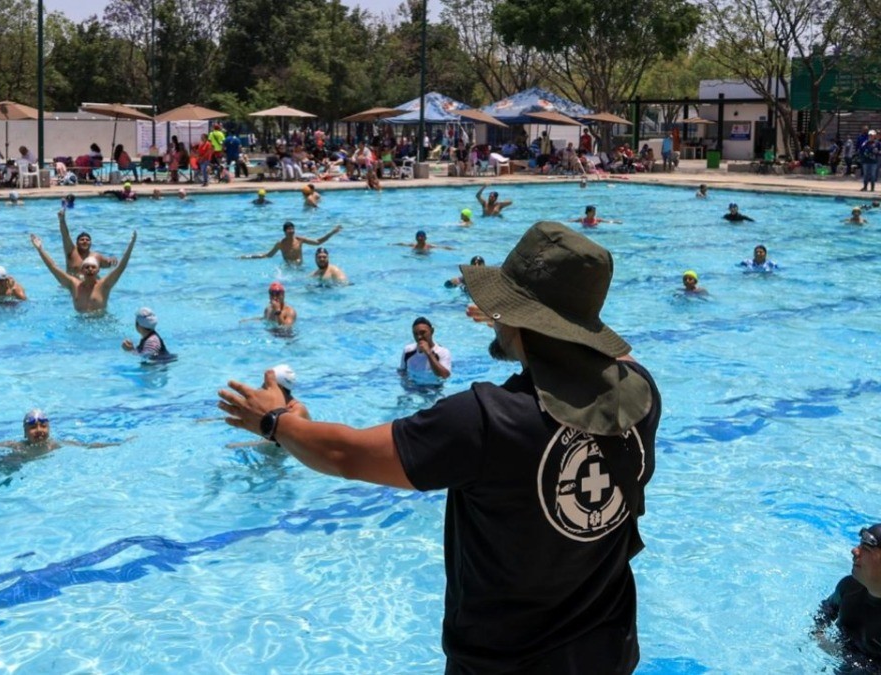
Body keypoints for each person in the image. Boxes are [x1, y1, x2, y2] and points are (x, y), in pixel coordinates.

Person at [217, 220, 661, 674]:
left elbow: (346, 455)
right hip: (609, 653)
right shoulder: (641, 394)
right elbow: (612, 358)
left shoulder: (486, 421)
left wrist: (274, 421)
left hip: (504, 665)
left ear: (522, 317)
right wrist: (520, 322)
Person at [0, 409, 121, 463]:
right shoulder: (16, 445)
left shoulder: (56, 445)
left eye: (43, 425)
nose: (39, 430)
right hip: (2, 464)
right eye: (33, 427)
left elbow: (87, 446)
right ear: (25, 432)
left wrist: (118, 444)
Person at [815, 523, 881, 670]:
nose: (854, 550)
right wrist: (819, 636)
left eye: (866, 549)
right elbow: (827, 610)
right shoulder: (849, 587)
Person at [30, 230, 137, 313]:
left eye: (93, 267)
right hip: (79, 323)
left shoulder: (104, 285)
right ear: (82, 270)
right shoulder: (73, 285)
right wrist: (40, 249)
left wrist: (131, 245)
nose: (90, 269)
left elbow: (121, 267)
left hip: (101, 323)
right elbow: (53, 267)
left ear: (98, 270)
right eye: (87, 267)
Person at [241, 221, 343, 265]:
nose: (291, 231)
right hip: (287, 270)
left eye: (292, 229)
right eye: (289, 229)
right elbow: (268, 255)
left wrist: (332, 232)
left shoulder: (300, 240)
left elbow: (318, 242)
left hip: (300, 268)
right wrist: (249, 257)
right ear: (284, 231)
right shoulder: (280, 243)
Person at [399, 316, 452, 383]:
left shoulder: (442, 352)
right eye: (415, 334)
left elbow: (445, 376)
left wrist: (429, 353)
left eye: (423, 332)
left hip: (434, 387)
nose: (419, 337)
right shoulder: (408, 351)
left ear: (432, 331)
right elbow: (402, 371)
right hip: (412, 386)